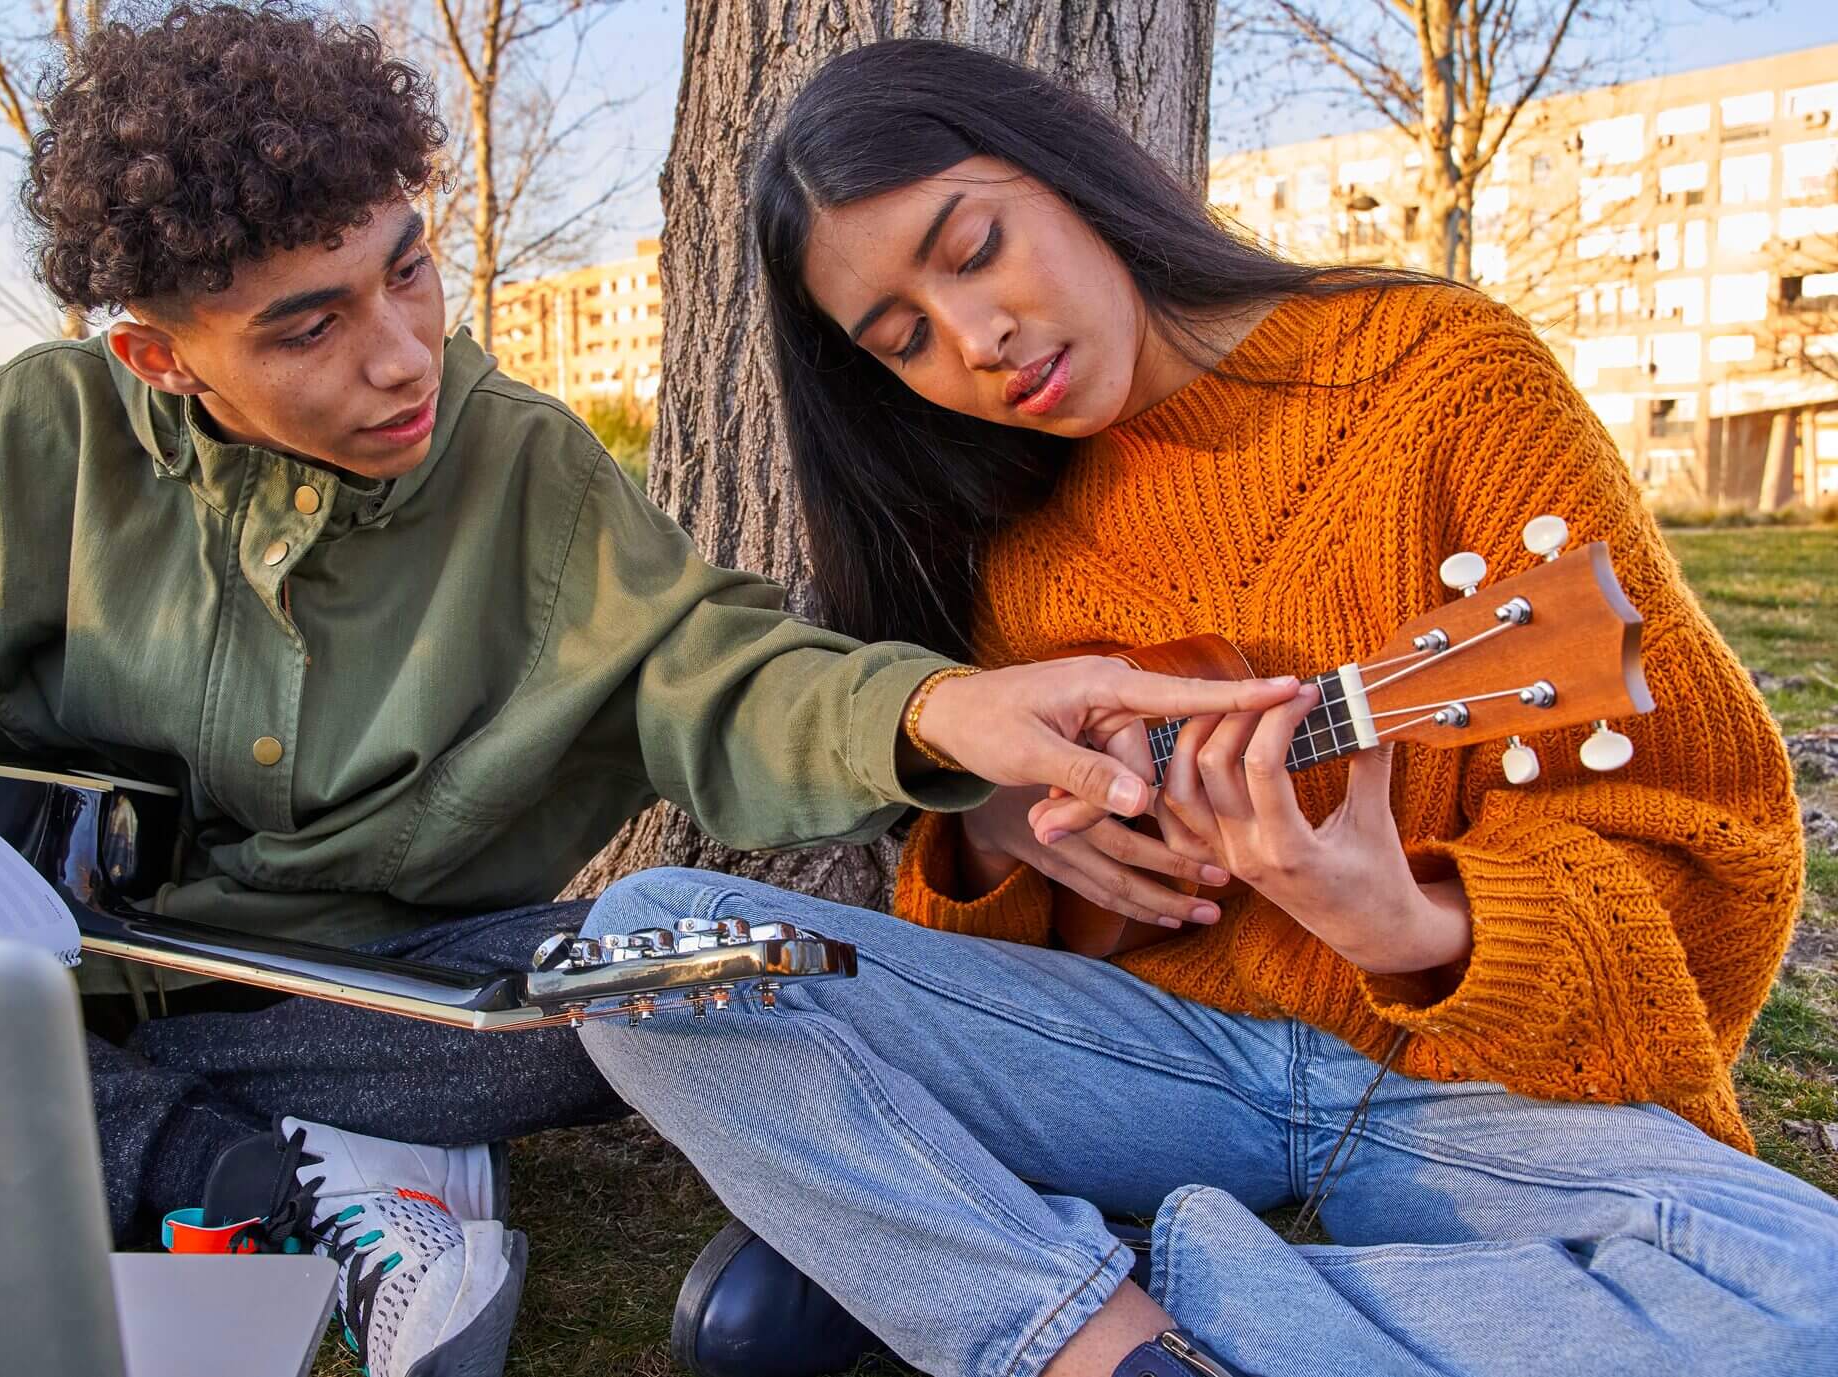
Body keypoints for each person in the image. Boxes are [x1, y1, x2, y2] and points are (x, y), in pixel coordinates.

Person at [0, 11, 1293, 1376]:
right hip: (58, 986)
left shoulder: (528, 469)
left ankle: (205, 1152)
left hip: (399, 993)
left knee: (670, 975)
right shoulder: (25, 443)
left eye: (409, 266)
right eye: (308, 328)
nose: (401, 356)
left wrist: (936, 715)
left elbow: (713, 670)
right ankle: (265, 1173)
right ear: (157, 356)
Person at [576, 38, 1837, 1377]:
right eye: (905, 342)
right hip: (1166, 1069)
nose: (979, 341)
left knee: (1808, 1291)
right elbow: (1030, 994)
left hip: (1456, 1102)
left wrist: (1406, 921)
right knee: (647, 954)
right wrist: (1005, 838)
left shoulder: (1445, 381)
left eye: (974, 248)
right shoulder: (1011, 546)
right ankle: (1113, 1316)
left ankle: (1080, 1294)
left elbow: (1715, 858)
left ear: (1060, 163)